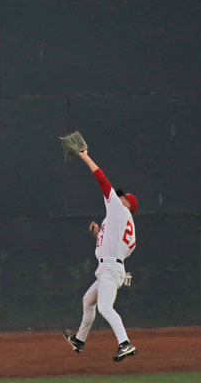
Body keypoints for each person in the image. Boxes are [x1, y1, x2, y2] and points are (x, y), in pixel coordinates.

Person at [62, 147, 139, 362]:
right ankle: (79, 340)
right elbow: (117, 247)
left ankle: (125, 343)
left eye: (123, 198)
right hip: (112, 267)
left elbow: (102, 180)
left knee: (104, 306)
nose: (119, 197)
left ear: (128, 204)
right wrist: (99, 234)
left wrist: (85, 156)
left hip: (111, 269)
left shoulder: (119, 209)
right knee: (88, 300)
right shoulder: (126, 225)